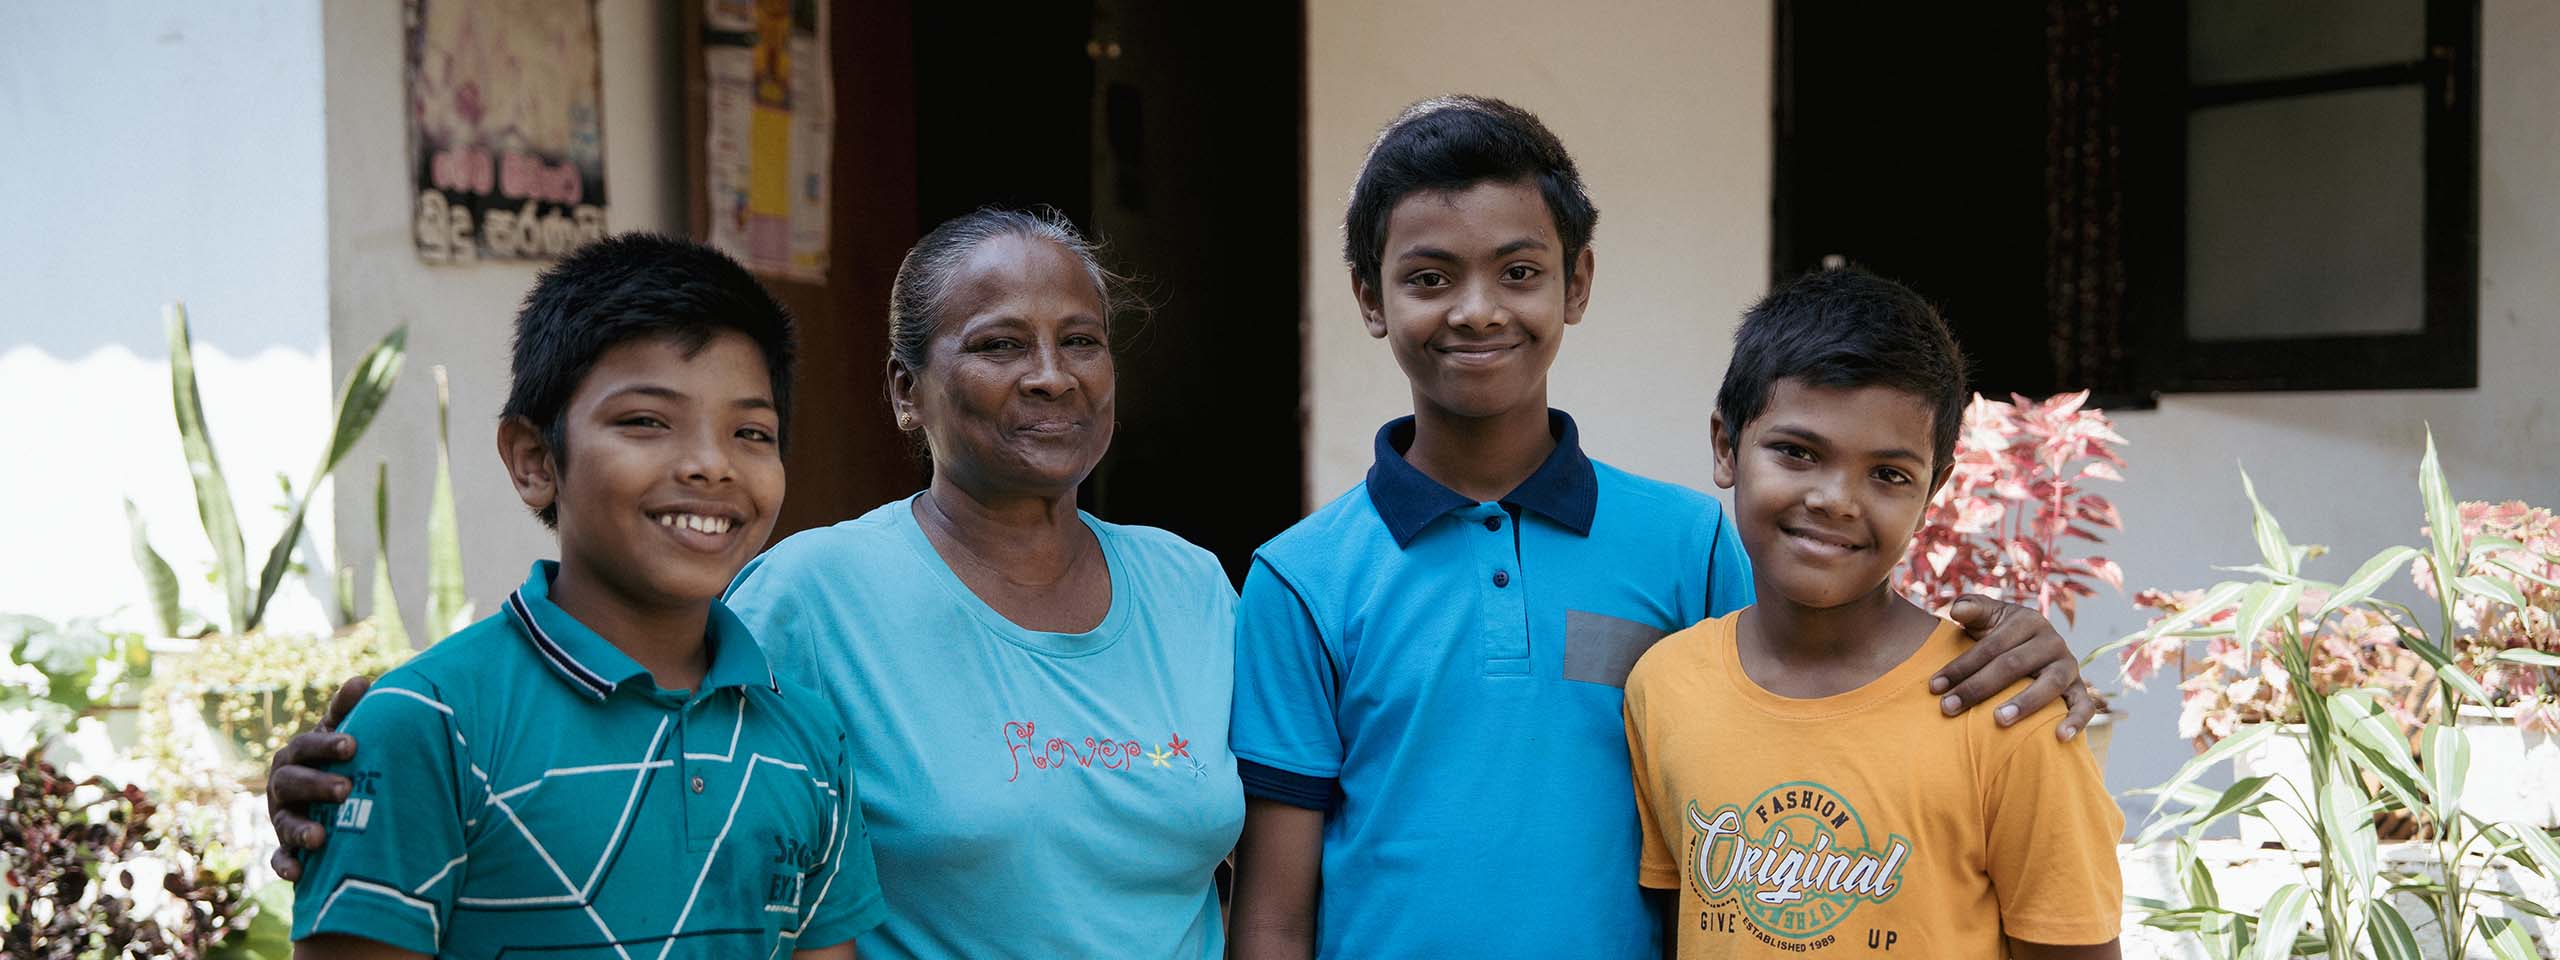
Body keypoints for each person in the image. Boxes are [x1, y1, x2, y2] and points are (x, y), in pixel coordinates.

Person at [1224, 96, 2102, 960]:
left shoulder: (1688, 541)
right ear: (1369, 298)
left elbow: (1815, 694)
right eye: (1429, 277)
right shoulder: (1303, 580)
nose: (1478, 309)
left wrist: (2015, 649)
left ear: (1577, 284)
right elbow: (1272, 916)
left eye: (1519, 272)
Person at [272, 209, 1244, 959]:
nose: (1051, 376)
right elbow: (616, 718)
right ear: (907, 393)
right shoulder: (813, 594)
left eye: (1081, 340)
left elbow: (1294, 830)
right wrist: (386, 772)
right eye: (998, 344)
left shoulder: (1193, 586)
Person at [286, 234, 885, 958]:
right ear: (536, 460)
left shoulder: (810, 739)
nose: (709, 464)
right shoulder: (428, 728)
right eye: (645, 422)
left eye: (751, 432)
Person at [1625, 266, 2122, 957]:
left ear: (1934, 490)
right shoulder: (1664, 687)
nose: (1835, 500)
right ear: (1725, 445)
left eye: (1888, 474)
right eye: (1797, 453)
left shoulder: (2006, 708)